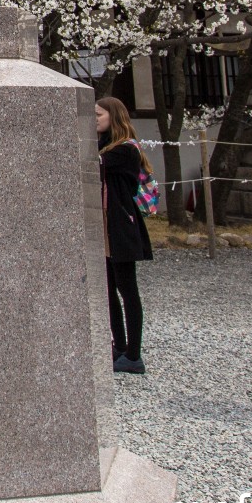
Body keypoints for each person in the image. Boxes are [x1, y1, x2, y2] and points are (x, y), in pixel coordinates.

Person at [96, 97, 153, 374]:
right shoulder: (107, 147)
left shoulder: (125, 150)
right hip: (107, 226)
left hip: (121, 226)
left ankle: (133, 353)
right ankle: (119, 345)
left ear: (113, 116)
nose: (94, 118)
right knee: (109, 289)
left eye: (98, 114)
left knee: (127, 289)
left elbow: (95, 163)